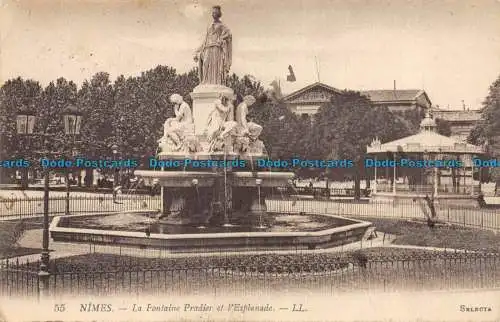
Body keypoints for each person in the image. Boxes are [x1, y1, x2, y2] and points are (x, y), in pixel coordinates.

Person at [193, 6, 232, 85]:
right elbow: (205, 39)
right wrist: (197, 51)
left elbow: (229, 34)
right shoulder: (209, 25)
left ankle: (215, 82)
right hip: (207, 47)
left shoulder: (221, 25)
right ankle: (205, 81)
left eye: (214, 12)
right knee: (205, 64)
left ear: (218, 14)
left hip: (216, 48)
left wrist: (221, 38)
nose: (212, 14)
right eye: (212, 12)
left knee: (215, 67)